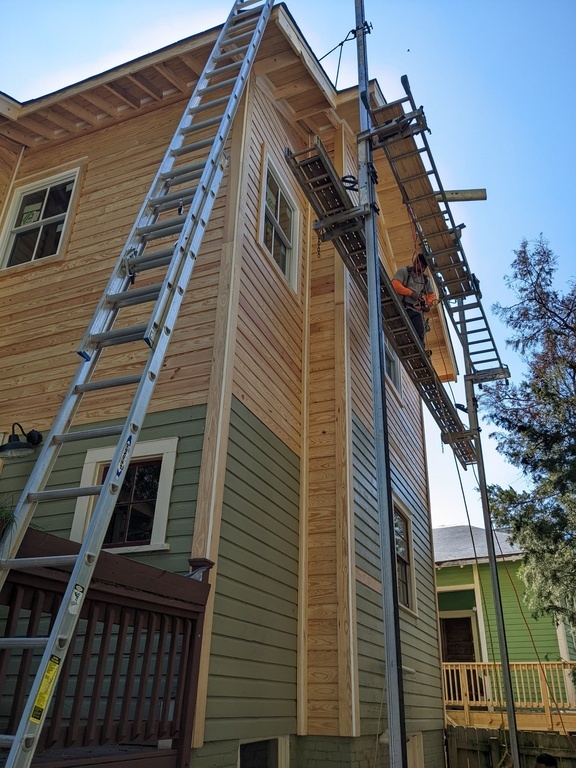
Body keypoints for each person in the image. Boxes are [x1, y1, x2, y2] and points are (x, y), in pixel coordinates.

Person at [392, 252, 435, 345]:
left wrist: (427, 305)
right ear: (415, 262)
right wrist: (411, 293)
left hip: (415, 311)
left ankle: (421, 348)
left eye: (424, 268)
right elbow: (395, 285)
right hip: (401, 307)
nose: (422, 269)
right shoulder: (404, 272)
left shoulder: (425, 280)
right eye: (421, 266)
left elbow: (431, 296)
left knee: (420, 331)